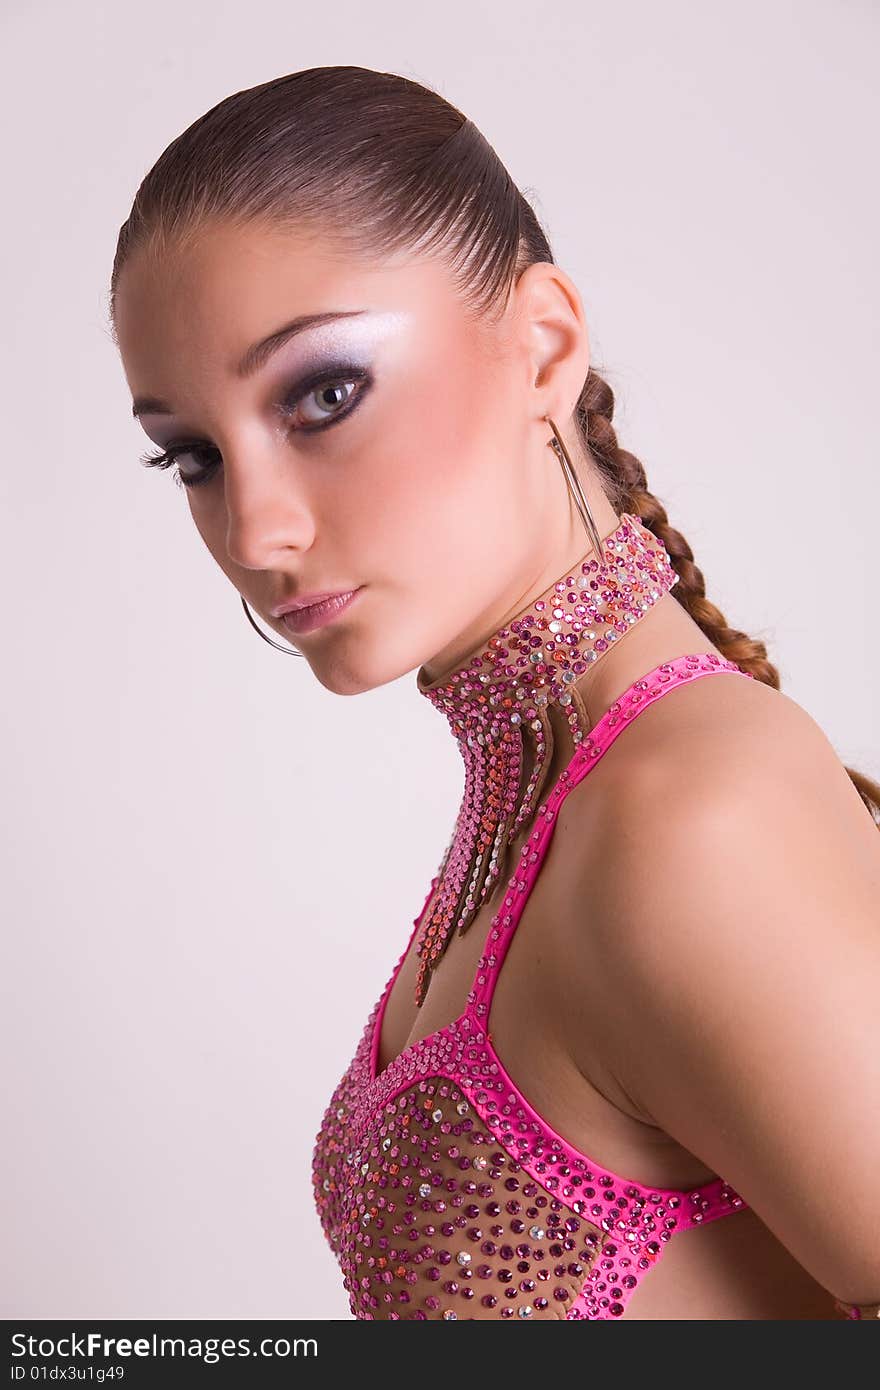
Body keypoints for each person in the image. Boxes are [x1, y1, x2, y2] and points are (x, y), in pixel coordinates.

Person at [109, 65, 880, 1320]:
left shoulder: (691, 816)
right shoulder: (543, 800)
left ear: (544, 348)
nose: (255, 528)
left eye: (321, 395)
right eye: (196, 455)